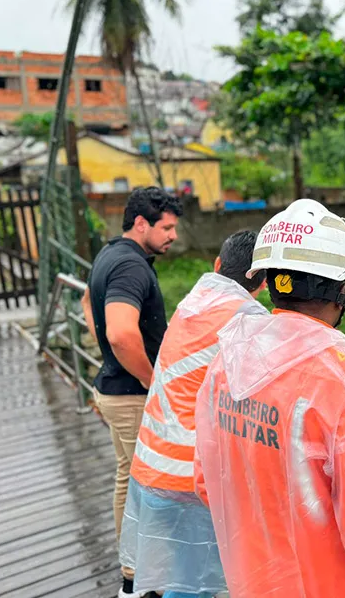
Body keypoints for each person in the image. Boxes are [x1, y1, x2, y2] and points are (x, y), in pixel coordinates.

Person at [194, 199, 345, 598]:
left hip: (254, 583)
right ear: (342, 289)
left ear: (270, 281)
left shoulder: (226, 365)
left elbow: (206, 481)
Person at [118, 230, 268, 598]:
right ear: (264, 283)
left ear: (217, 265)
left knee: (180, 577)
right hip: (189, 478)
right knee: (193, 584)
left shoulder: (193, 301)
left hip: (151, 465)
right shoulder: (248, 319)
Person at [80, 186, 182, 598]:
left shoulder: (110, 253)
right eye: (167, 228)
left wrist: (109, 354)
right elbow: (121, 333)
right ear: (141, 224)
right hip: (132, 396)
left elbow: (87, 302)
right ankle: (138, 580)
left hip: (112, 388)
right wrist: (149, 379)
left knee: (130, 480)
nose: (173, 236)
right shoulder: (130, 266)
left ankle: (133, 574)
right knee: (152, 487)